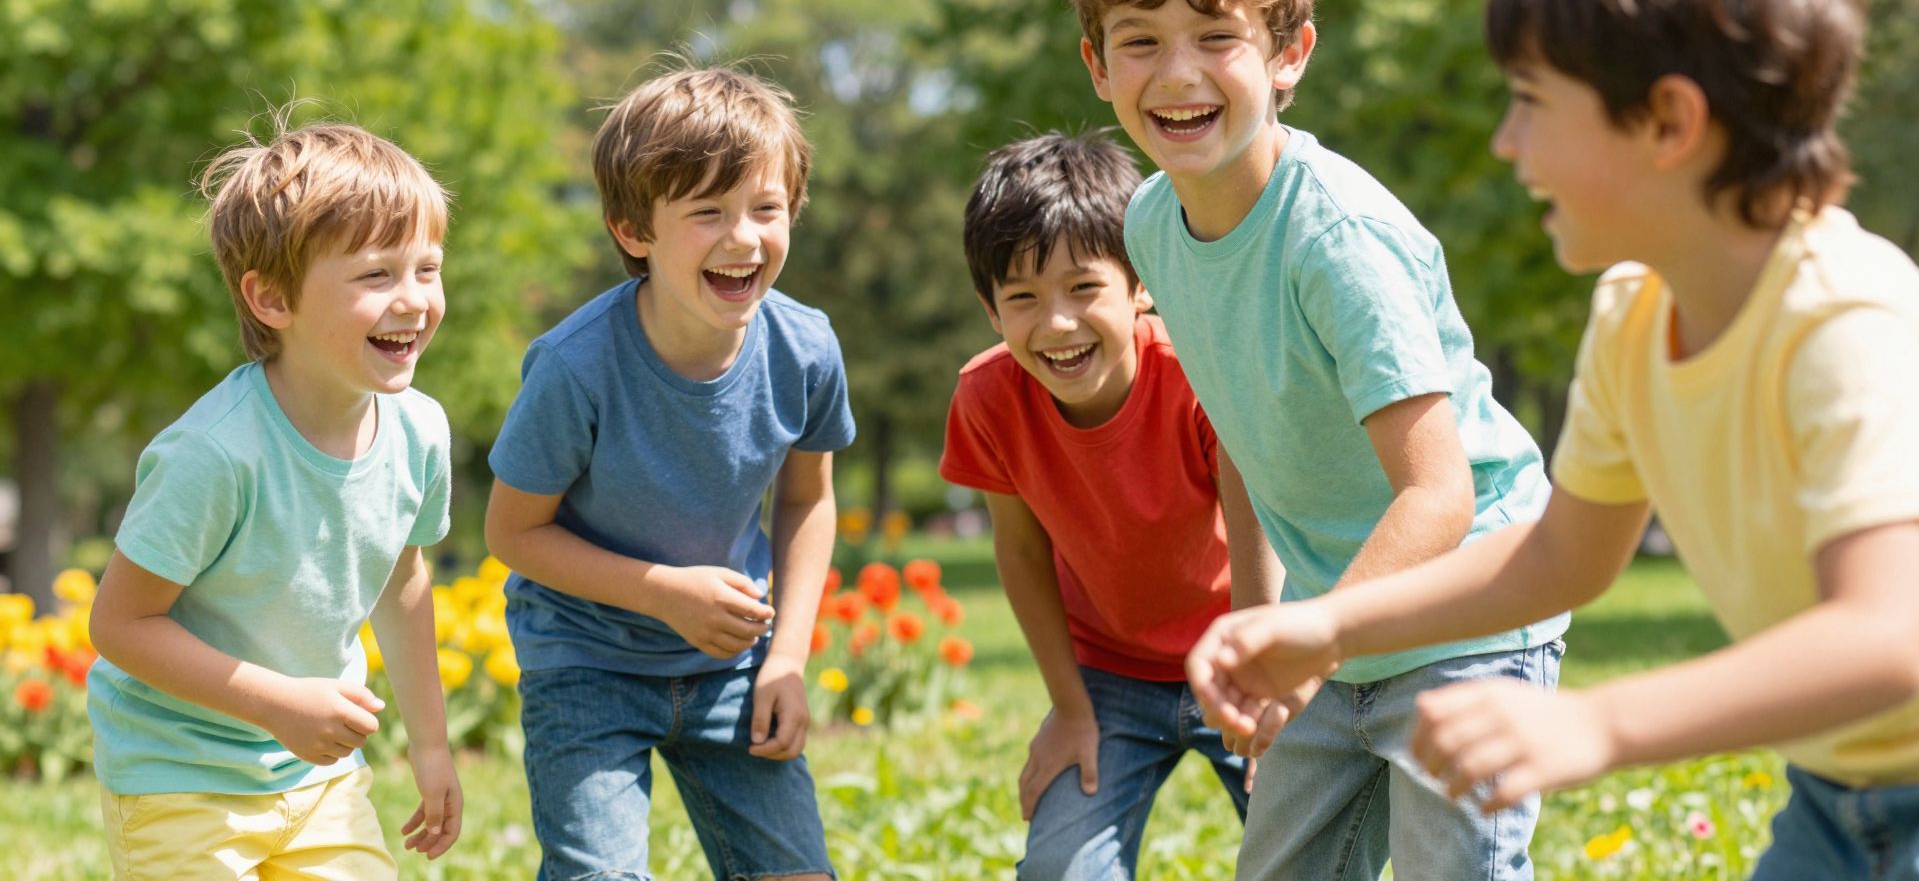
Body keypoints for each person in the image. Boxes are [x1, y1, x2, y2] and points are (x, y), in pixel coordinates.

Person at [1187, 0, 1919, 879]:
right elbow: (1561, 554)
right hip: (1837, 788)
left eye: (1530, 102)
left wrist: (1600, 723)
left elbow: (1880, 640)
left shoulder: (1845, 323)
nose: (1505, 142)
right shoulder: (1635, 314)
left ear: (1667, 122)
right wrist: (1327, 624)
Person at [1064, 0, 1567, 880]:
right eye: (1140, 41)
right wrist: (1267, 625)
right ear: (1097, 66)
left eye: (1217, 38)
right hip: (1335, 626)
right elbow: (1241, 437)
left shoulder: (1335, 237)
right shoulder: (1152, 224)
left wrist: (1311, 637)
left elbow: (1437, 492)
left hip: (1467, 610)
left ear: (1288, 53)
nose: (1177, 74)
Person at [484, 65, 851, 881]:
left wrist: (787, 658)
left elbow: (808, 500)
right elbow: (511, 532)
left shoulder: (806, 350)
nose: (744, 238)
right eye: (707, 212)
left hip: (732, 665)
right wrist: (662, 593)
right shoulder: (575, 368)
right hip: (586, 661)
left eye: (766, 208)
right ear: (633, 230)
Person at [88, 117, 462, 878]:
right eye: (376, 275)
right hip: (179, 775)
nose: (414, 300)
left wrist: (431, 747)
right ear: (271, 298)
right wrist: (277, 704)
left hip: (319, 781)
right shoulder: (216, 454)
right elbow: (120, 624)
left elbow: (403, 580)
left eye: (427, 268)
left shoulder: (420, 431)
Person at [940, 129, 1281, 879]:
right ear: (991, 310)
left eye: (1084, 287)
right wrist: (1069, 708)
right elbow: (1019, 550)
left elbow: (1261, 520)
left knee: (1307, 854)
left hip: (1238, 655)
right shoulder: (987, 397)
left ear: (1141, 282)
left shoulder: (1198, 371)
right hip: (1110, 678)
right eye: (1022, 298)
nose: (1057, 323)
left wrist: (1266, 679)